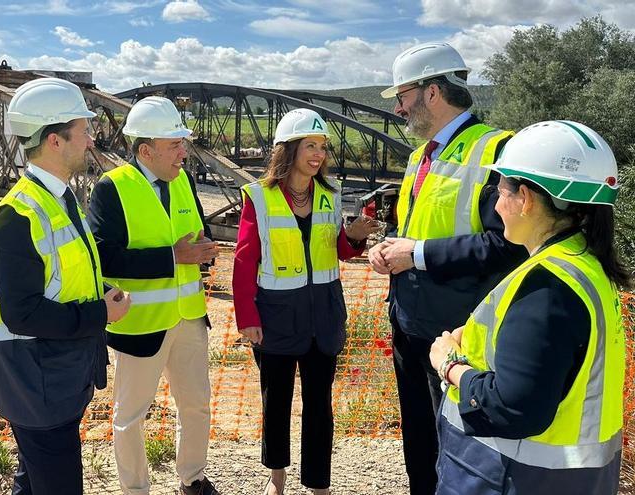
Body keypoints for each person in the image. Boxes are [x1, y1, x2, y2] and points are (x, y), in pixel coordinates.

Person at [429, 120, 629, 495]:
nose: (497, 205)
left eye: (499, 191)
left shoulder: (546, 288)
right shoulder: (584, 263)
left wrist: (448, 364)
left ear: (525, 198)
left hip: (513, 477)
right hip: (573, 480)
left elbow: (513, 409)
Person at [367, 42, 528, 495]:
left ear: (431, 93)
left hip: (460, 336)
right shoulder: (421, 156)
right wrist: (388, 251)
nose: (398, 108)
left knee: (461, 448)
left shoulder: (496, 149)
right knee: (419, 441)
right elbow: (414, 228)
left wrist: (415, 254)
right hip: (408, 323)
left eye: (402, 96)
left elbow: (506, 244)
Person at [0, 77, 131, 495]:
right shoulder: (17, 217)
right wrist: (102, 314)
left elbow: (64, 277)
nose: (91, 139)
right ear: (54, 140)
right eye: (84, 130)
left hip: (56, 375)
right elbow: (21, 313)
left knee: (34, 482)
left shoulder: (60, 201)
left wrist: (101, 293)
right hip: (36, 383)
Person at [232, 108, 381, 495]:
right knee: (276, 403)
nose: (318, 154)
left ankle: (318, 484)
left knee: (320, 407)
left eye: (322, 147)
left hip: (323, 317)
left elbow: (338, 252)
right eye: (310, 146)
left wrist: (355, 236)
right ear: (289, 149)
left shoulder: (330, 196)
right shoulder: (259, 197)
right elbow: (245, 259)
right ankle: (276, 477)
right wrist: (246, 316)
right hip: (276, 318)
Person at [88, 96, 220, 495]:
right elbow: (103, 256)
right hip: (140, 324)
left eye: (183, 142)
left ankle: (192, 478)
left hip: (189, 318)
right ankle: (135, 490)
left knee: (196, 405)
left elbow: (196, 232)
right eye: (175, 144)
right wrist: (173, 256)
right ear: (145, 150)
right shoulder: (111, 189)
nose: (184, 151)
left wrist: (203, 250)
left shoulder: (184, 181)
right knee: (130, 415)